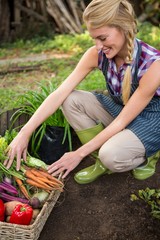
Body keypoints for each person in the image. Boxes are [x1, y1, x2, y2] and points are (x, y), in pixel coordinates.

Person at [5, 0, 160, 184]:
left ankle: (149, 154)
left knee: (111, 155)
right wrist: (25, 132)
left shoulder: (152, 64)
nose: (98, 46)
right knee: (70, 99)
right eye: (94, 38)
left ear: (124, 28)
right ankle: (101, 162)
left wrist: (78, 154)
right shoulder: (97, 54)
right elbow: (60, 93)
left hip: (151, 120)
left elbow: (121, 121)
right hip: (123, 111)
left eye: (102, 38)